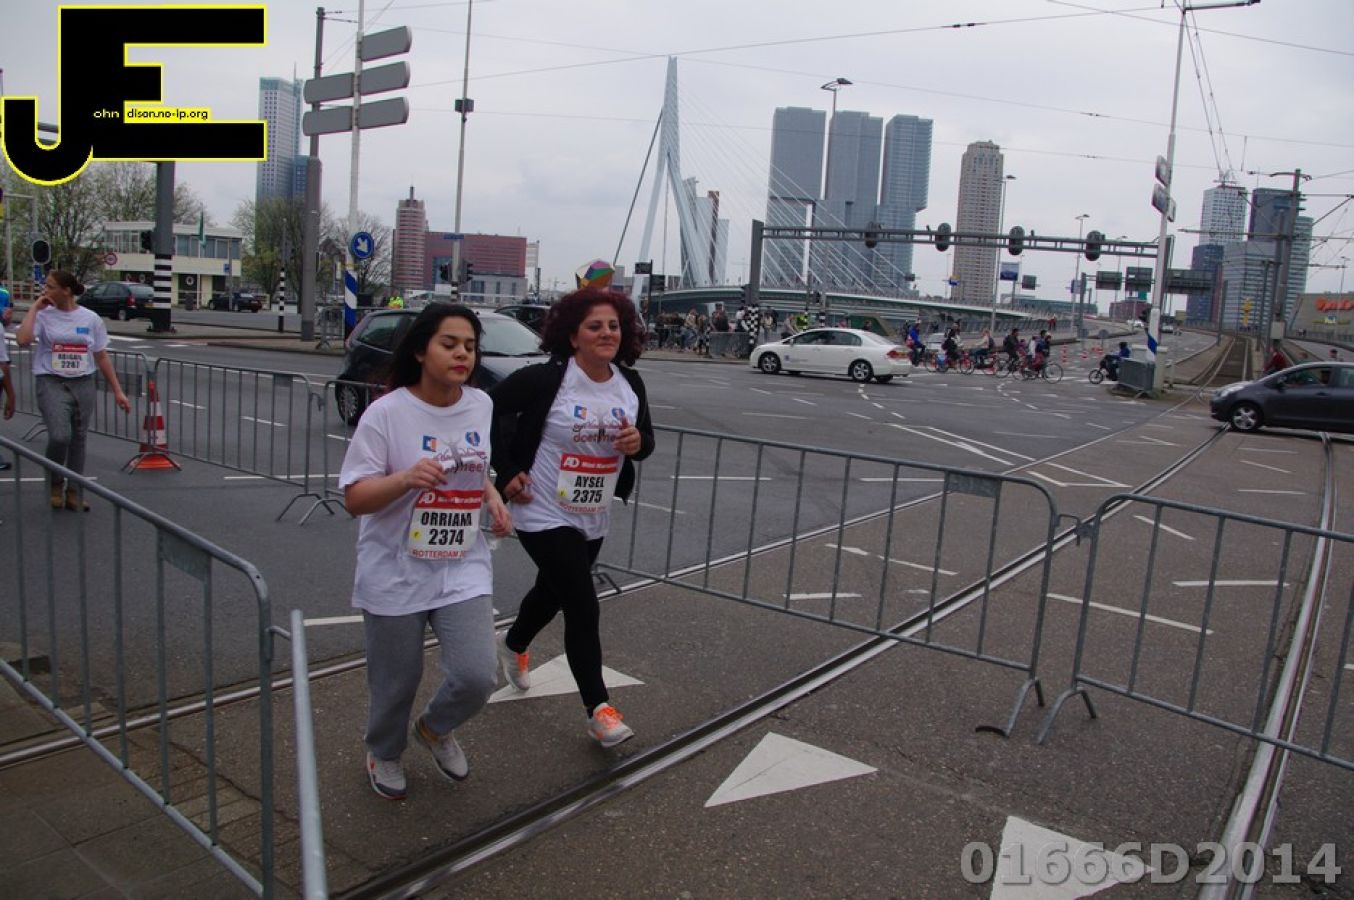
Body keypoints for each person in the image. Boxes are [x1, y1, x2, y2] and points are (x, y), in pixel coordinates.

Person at [338, 303, 513, 800]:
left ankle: (435, 728)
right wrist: (406, 478)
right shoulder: (386, 413)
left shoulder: (480, 404)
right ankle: (385, 750)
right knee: (396, 682)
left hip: (461, 563)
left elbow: (473, 465)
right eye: (449, 344)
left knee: (477, 675)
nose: (462, 355)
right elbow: (354, 498)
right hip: (395, 567)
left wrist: (492, 495)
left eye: (470, 346)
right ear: (420, 351)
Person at [490, 287, 656, 747]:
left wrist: (637, 443)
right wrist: (506, 470)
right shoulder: (547, 379)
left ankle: (513, 642)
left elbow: (646, 440)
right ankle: (599, 710)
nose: (607, 334)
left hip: (593, 511)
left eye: (614, 326)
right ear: (573, 335)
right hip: (541, 507)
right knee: (582, 603)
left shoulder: (630, 383)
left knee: (553, 591)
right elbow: (484, 409)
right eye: (595, 326)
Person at [16, 270, 132, 510]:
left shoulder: (90, 319)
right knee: (60, 436)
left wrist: (118, 391)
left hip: (83, 382)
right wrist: (34, 308)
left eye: (50, 287)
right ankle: (55, 482)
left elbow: (101, 356)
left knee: (78, 438)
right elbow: (23, 340)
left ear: (66, 290)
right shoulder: (44, 316)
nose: (45, 291)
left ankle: (74, 492)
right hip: (51, 381)